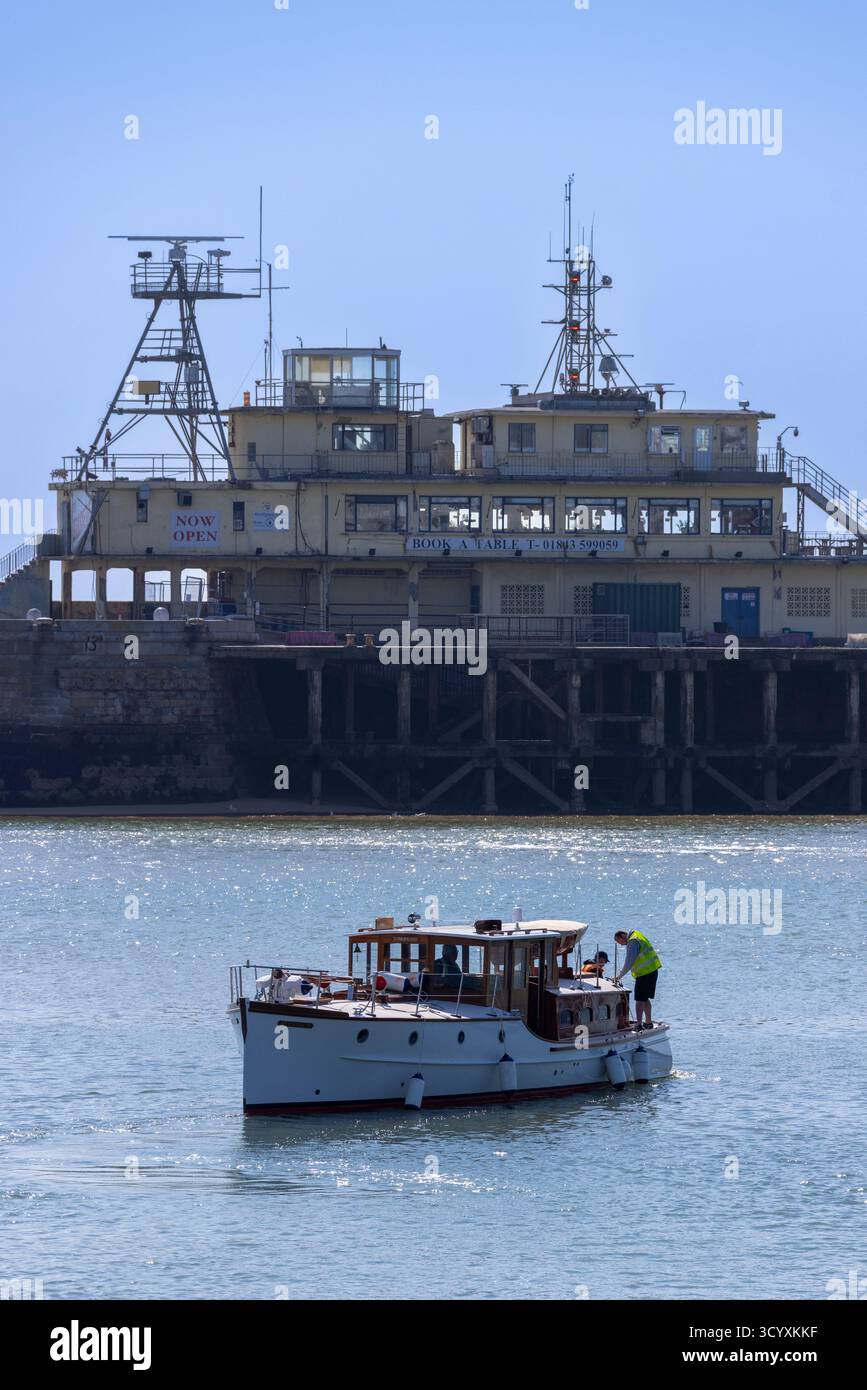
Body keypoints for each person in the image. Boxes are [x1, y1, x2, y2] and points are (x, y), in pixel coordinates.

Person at [613, 929, 662, 1029]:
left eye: (620, 942)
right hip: (652, 971)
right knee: (645, 998)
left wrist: (618, 977)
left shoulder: (632, 942)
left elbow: (629, 963)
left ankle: (638, 1025)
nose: (622, 945)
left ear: (623, 936)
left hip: (644, 974)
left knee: (639, 1000)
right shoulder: (637, 935)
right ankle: (648, 1023)